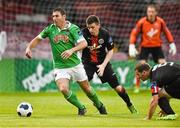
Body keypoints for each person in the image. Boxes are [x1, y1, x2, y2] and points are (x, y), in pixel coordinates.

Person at [25, 7, 107, 116]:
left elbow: (84, 44)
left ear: (64, 17)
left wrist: (71, 50)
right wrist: (29, 48)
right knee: (63, 89)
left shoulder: (73, 28)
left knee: (87, 89)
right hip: (60, 67)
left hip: (75, 65)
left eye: (57, 16)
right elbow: (38, 39)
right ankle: (81, 108)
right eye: (53, 16)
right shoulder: (50, 29)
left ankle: (99, 105)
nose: (54, 18)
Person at [81, 15, 138, 114]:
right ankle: (99, 105)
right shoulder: (83, 33)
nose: (90, 30)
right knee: (84, 85)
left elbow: (111, 51)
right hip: (88, 63)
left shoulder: (105, 34)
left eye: (93, 27)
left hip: (103, 63)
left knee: (118, 88)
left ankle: (129, 104)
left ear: (98, 25)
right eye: (88, 27)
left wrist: (103, 66)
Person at [129, 4, 177, 93]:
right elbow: (134, 33)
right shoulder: (142, 22)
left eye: (152, 11)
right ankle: (137, 86)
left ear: (156, 12)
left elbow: (167, 32)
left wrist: (172, 43)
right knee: (140, 66)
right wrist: (131, 44)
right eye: (149, 11)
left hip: (157, 47)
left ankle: (164, 85)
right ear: (147, 12)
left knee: (163, 64)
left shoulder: (160, 22)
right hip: (145, 47)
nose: (150, 13)